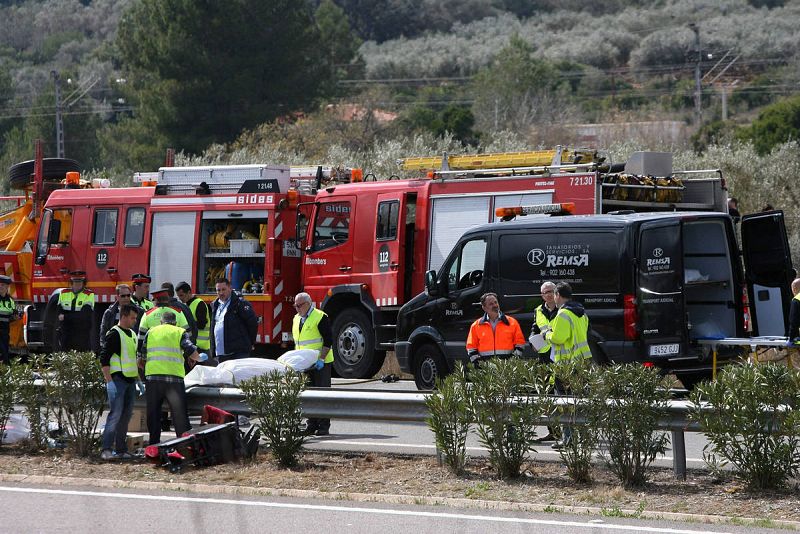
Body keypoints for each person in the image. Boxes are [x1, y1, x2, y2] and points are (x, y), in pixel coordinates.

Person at [140, 311, 202, 445]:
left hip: (153, 379)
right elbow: (190, 349)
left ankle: (153, 445)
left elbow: (142, 355)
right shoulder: (179, 331)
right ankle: (184, 446)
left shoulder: (151, 332)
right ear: (175, 322)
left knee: (154, 413)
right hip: (174, 380)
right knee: (179, 414)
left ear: (161, 322)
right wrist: (198, 358)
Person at [544, 282, 591, 449]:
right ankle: (584, 438)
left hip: (565, 365)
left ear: (557, 295)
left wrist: (547, 334)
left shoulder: (563, 313)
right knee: (579, 401)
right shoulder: (581, 313)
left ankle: (568, 439)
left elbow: (558, 338)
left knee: (564, 402)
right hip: (580, 362)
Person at [99, 304, 141, 460]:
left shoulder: (131, 334)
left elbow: (132, 360)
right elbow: (104, 359)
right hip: (117, 381)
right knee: (115, 415)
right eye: (132, 318)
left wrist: (138, 380)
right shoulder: (114, 334)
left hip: (130, 381)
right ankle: (106, 449)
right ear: (123, 317)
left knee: (125, 416)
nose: (134, 321)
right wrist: (109, 382)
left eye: (135, 318)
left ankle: (121, 449)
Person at [292, 292, 333, 436]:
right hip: (304, 364)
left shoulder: (320, 317)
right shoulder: (297, 319)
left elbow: (328, 340)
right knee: (308, 395)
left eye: (299, 305)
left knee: (322, 395)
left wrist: (321, 359)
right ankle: (311, 424)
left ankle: (323, 426)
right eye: (295, 306)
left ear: (308, 303)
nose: (297, 308)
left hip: (320, 363)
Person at [529, 281, 559, 442]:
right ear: (542, 295)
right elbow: (535, 328)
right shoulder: (539, 310)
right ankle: (553, 430)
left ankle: (568, 431)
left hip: (561, 356)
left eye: (551, 291)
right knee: (547, 394)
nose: (548, 294)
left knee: (562, 394)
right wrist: (532, 342)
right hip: (545, 356)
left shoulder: (563, 309)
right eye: (545, 292)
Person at [466, 292, 526, 366]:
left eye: (495, 302)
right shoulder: (476, 325)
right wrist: (479, 365)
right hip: (486, 370)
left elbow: (520, 344)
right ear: (484, 308)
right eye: (491, 304)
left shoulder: (512, 322)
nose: (495, 305)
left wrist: (513, 363)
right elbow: (471, 347)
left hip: (508, 369)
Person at [210, 277, 257, 362]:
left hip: (238, 353)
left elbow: (252, 323)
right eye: (218, 290)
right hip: (221, 353)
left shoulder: (240, 304)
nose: (221, 293)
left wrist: (250, 343)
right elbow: (213, 328)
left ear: (230, 288)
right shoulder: (215, 305)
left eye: (223, 289)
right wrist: (213, 350)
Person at [137, 287, 190, 355]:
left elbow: (141, 338)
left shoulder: (147, 314)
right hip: (175, 358)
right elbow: (188, 335)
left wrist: (140, 356)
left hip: (153, 359)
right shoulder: (178, 313)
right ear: (168, 299)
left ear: (155, 300)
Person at [55, 271, 95, 351]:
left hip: (81, 335)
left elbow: (84, 316)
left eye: (80, 282)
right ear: (71, 282)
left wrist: (66, 317)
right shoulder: (63, 293)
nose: (77, 285)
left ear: (84, 283)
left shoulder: (89, 295)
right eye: (75, 282)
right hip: (66, 334)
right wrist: (74, 316)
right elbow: (58, 314)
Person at [99, 284, 142, 355]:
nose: (126, 298)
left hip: (132, 350)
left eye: (128, 295)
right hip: (114, 350)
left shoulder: (139, 311)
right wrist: (105, 350)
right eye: (123, 296)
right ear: (117, 297)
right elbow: (103, 332)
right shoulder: (110, 312)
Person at [176, 281, 211, 354]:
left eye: (181, 295)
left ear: (189, 292)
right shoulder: (187, 305)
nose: (180, 298)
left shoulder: (199, 303)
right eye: (178, 296)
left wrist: (188, 323)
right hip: (193, 346)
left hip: (201, 346)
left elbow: (202, 324)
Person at [0, 275, 20, 365]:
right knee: (3, 351)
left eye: (3, 285)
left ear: (7, 287)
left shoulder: (10, 301)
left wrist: (15, 317)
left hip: (5, 330)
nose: (0, 287)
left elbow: (13, 315)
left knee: (5, 350)